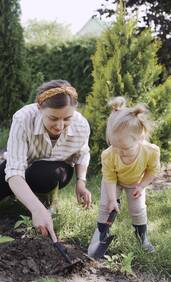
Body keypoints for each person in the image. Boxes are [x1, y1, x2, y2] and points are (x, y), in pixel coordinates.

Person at [0, 79, 91, 242]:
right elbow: (14, 171)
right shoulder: (23, 119)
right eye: (53, 118)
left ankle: (43, 200)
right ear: (39, 108)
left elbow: (82, 153)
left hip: (54, 171)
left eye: (67, 118)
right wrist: (36, 210)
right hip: (22, 168)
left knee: (46, 174)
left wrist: (81, 182)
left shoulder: (81, 125)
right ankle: (20, 198)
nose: (60, 125)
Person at [88, 96, 160, 258]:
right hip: (114, 182)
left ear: (140, 138)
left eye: (125, 149)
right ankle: (100, 235)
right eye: (115, 146)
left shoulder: (151, 151)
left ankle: (142, 238)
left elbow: (152, 171)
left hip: (135, 183)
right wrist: (113, 199)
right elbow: (109, 178)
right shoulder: (109, 155)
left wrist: (141, 186)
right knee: (106, 205)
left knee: (138, 209)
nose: (119, 152)